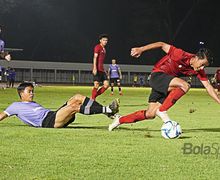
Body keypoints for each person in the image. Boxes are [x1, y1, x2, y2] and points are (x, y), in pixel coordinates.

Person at [108, 41, 220, 131]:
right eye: (202, 65)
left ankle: (119, 120)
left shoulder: (198, 70)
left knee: (150, 114)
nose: (202, 69)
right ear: (196, 58)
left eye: (204, 67)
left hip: (166, 83)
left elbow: (208, 87)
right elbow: (161, 44)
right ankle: (162, 111)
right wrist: (141, 49)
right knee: (184, 85)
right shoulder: (180, 54)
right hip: (157, 76)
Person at [0, 82, 120, 128]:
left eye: (32, 91)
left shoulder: (32, 103)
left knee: (77, 97)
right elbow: (2, 116)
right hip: (48, 122)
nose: (32, 93)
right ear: (21, 93)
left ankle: (106, 111)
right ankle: (108, 109)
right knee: (74, 107)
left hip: (52, 115)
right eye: (29, 91)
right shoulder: (14, 106)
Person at [91, 34, 109, 100]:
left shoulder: (104, 49)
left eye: (106, 40)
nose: (105, 41)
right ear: (100, 40)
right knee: (96, 84)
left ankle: (94, 97)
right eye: (104, 40)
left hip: (102, 70)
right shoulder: (97, 47)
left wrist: (104, 70)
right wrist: (94, 68)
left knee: (106, 85)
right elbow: (95, 57)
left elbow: (101, 61)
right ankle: (93, 100)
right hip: (97, 69)